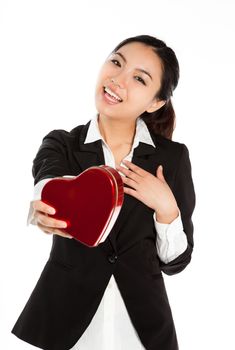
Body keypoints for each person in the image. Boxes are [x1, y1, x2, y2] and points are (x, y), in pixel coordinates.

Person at [11, 35, 196, 350]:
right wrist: (47, 209)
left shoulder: (172, 158)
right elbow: (47, 181)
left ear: (156, 102)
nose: (117, 79)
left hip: (142, 330)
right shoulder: (62, 143)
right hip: (68, 326)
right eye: (116, 62)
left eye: (139, 78)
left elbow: (176, 262)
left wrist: (167, 208)